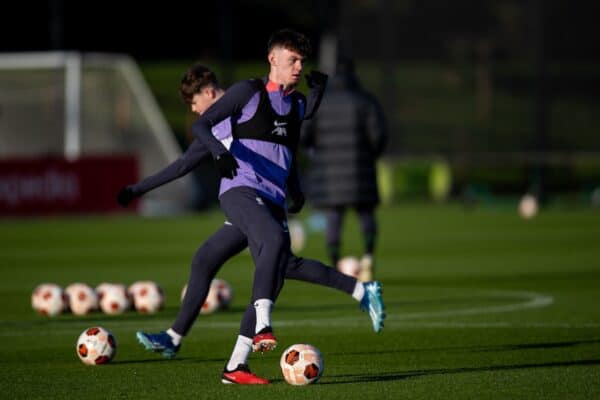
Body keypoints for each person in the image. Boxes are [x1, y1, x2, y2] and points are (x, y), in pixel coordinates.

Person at [118, 44, 384, 384]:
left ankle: (248, 346)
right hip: (248, 201)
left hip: (262, 199)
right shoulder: (225, 117)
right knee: (211, 260)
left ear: (208, 93)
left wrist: (294, 186)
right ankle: (183, 342)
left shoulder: (247, 102)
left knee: (277, 265)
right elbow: (184, 164)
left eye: (194, 103)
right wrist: (138, 190)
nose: (195, 111)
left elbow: (289, 131)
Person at [300, 58, 388, 282]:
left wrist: (316, 153)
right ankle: (367, 257)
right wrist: (369, 156)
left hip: (328, 171)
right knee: (366, 214)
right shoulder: (365, 100)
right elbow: (379, 136)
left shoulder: (321, 102)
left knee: (333, 217)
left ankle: (334, 262)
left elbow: (304, 134)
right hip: (361, 168)